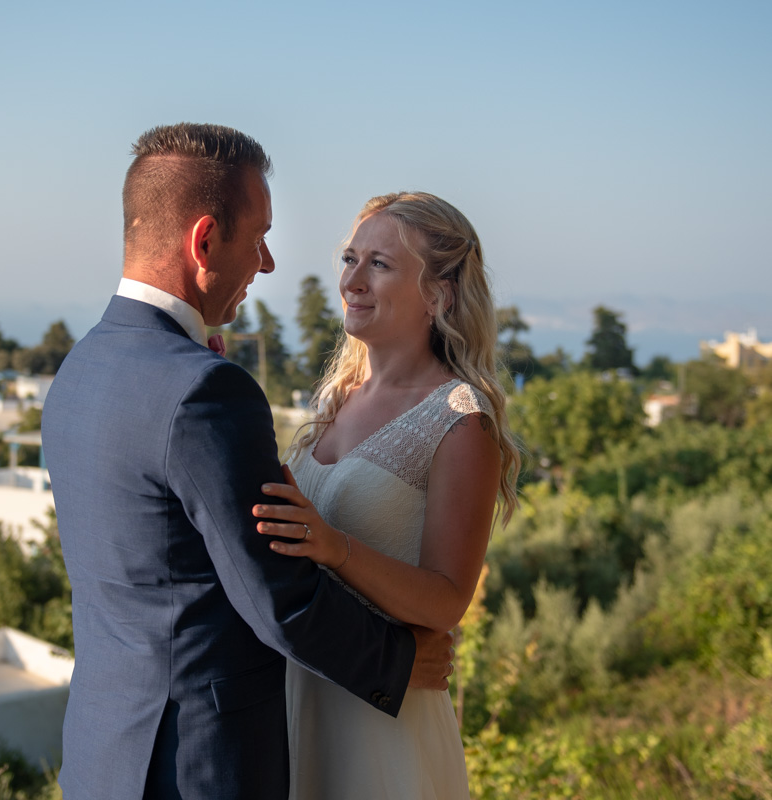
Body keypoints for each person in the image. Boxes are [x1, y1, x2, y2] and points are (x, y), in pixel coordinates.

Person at [42, 125, 454, 800]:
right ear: (205, 242)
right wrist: (401, 661)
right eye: (258, 236)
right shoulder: (205, 390)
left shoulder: (82, 368)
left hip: (102, 755)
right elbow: (279, 601)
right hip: (200, 764)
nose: (266, 262)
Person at [252, 191, 522, 798]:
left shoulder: (459, 418)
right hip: (296, 698)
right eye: (350, 259)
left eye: (380, 264)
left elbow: (448, 601)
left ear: (439, 294)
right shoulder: (334, 398)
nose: (352, 279)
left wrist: (335, 547)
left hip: (382, 727)